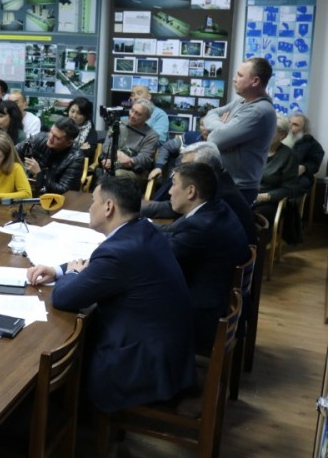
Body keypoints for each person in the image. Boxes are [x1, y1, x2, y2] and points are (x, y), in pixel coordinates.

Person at [26, 176, 196, 413]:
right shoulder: (142, 229)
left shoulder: (120, 252)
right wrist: (58, 270)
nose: (89, 207)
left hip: (144, 363)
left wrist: (72, 274)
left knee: (63, 346)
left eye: (93, 201)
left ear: (109, 207)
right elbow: (97, 266)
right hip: (169, 349)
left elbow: (64, 298)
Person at [160, 162, 249, 353]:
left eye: (173, 184)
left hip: (200, 319)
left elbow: (159, 259)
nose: (169, 192)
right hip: (216, 304)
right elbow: (174, 238)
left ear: (191, 191)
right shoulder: (217, 208)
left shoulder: (201, 226)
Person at [141, 141, 256, 244]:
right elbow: (172, 208)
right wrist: (135, 209)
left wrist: (136, 224)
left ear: (205, 168)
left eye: (186, 166)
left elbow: (175, 230)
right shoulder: (215, 180)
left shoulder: (218, 195)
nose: (181, 171)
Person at [202, 57, 277, 205]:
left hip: (239, 188)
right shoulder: (241, 102)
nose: (234, 79)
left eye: (240, 75)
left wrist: (220, 133)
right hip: (224, 182)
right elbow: (211, 113)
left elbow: (215, 139)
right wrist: (224, 128)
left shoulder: (259, 111)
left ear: (255, 81)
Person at [98, 98, 158, 183]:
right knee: (104, 172)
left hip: (135, 170)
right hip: (113, 162)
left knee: (117, 174)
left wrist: (124, 162)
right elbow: (106, 145)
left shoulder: (151, 135)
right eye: (132, 110)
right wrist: (117, 155)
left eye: (138, 114)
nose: (132, 115)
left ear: (147, 118)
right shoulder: (118, 124)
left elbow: (145, 158)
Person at [254, 115, 300, 226]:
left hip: (271, 201)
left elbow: (289, 189)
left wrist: (263, 197)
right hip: (247, 194)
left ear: (282, 135)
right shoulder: (253, 149)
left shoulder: (289, 156)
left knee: (253, 217)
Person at [18, 117, 84, 194]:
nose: (50, 138)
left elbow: (65, 191)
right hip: (30, 189)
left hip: (56, 198)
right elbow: (13, 153)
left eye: (57, 138)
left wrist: (39, 174)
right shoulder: (40, 138)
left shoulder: (75, 158)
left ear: (69, 143)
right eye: (51, 132)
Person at [286, 112, 324, 196]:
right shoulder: (278, 138)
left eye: (295, 125)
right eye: (289, 123)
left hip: (300, 176)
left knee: (298, 184)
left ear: (304, 129)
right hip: (277, 173)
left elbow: (314, 164)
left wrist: (304, 167)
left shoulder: (313, 145)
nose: (290, 126)